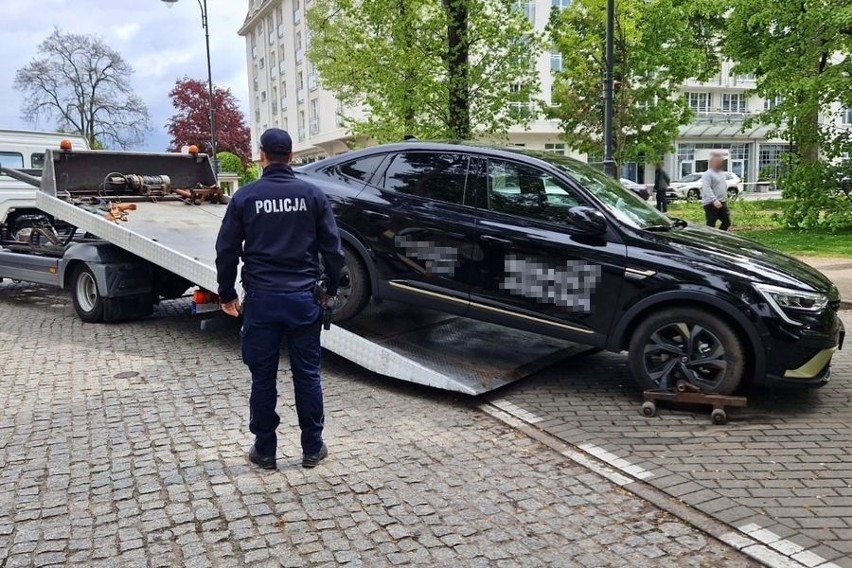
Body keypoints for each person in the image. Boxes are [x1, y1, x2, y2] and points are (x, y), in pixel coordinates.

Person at [215, 128, 345, 470]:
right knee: (307, 374)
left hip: (262, 301)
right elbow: (333, 251)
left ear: (261, 156)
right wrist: (330, 290)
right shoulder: (312, 195)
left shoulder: (245, 197)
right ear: (290, 157)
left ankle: (265, 450)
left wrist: (227, 294)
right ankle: (313, 448)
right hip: (304, 300)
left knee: (263, 377)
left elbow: (226, 250)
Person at [701, 153, 731, 231]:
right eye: (717, 161)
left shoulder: (721, 173)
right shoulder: (707, 174)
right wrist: (714, 200)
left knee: (727, 222)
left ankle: (720, 236)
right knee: (711, 224)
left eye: (720, 161)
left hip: (722, 202)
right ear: (712, 162)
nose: (720, 163)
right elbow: (706, 188)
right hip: (711, 203)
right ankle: (709, 239)